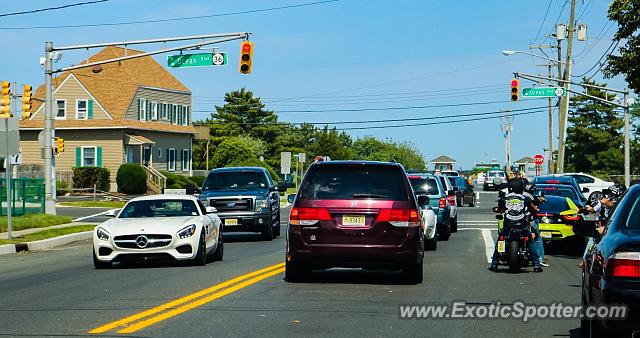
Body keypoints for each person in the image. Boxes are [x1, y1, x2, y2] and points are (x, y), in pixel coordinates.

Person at [489, 177, 543, 272]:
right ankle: (537, 266)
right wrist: (536, 211)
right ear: (521, 188)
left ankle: (494, 264)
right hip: (522, 225)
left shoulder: (504, 198)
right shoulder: (525, 198)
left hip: (508, 226)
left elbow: (500, 209)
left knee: (500, 242)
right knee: (531, 243)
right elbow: (533, 209)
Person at [580, 184, 626, 269]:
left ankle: (590, 261)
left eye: (610, 193)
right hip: (604, 226)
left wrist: (605, 203)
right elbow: (594, 209)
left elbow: (612, 205)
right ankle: (585, 261)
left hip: (612, 228)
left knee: (598, 242)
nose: (608, 195)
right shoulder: (605, 202)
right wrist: (589, 208)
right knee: (593, 240)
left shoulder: (621, 203)